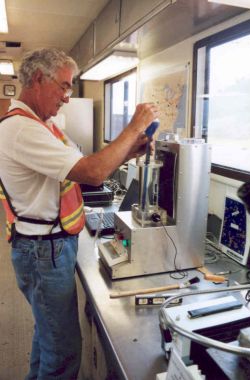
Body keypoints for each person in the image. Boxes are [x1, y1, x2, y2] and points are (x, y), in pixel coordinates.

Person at [0, 47, 158, 380]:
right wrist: (133, 126)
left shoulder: (43, 125)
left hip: (49, 247)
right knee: (63, 354)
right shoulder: (21, 129)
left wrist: (131, 150)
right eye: (65, 86)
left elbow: (83, 165)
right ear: (40, 79)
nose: (68, 97)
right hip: (44, 252)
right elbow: (93, 172)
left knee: (49, 341)